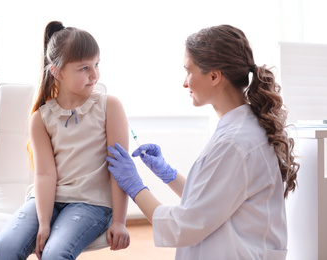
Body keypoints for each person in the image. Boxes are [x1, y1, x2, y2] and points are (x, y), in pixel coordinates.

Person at [106, 24, 299, 260]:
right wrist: (168, 174)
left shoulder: (235, 143)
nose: (185, 83)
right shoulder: (242, 128)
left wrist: (135, 187)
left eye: (189, 71)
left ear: (215, 76)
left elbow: (185, 226)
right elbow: (215, 199)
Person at [0, 21, 130, 259]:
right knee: (5, 248)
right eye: (84, 68)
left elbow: (120, 167)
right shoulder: (41, 117)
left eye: (96, 64)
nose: (94, 74)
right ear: (57, 72)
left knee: (55, 255)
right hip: (47, 200)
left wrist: (119, 221)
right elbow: (45, 174)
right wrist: (44, 222)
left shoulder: (110, 106)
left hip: (91, 203)